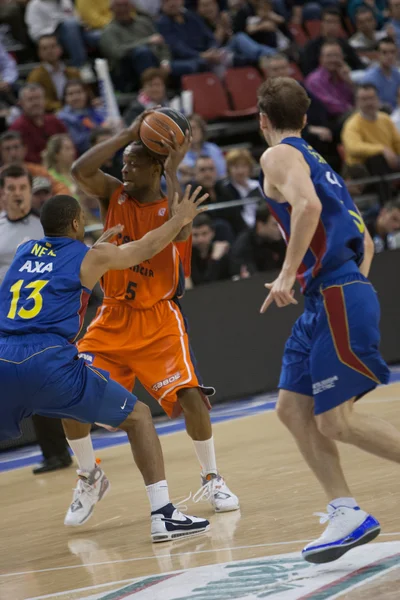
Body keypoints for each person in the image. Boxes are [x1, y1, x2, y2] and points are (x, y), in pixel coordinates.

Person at [0, 183, 211, 540]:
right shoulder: (90, 257)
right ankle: (163, 514)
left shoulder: (22, 249)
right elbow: (146, 247)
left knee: (70, 407)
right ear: (77, 224)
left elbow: (54, 264)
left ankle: (90, 475)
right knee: (140, 418)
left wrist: (94, 246)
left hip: (4, 358)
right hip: (48, 361)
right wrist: (179, 219)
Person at [60, 113, 239, 526]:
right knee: (67, 393)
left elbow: (178, 232)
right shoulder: (113, 195)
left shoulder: (172, 204)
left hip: (158, 319)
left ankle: (211, 478)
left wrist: (173, 169)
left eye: (134, 160)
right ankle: (89, 475)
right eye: (123, 159)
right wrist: (126, 134)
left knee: (191, 397)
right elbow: (79, 170)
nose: (125, 166)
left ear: (156, 166)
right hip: (112, 316)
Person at [258, 76, 395, 564]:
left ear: (263, 121)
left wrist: (288, 274)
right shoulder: (322, 164)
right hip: (331, 296)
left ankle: (346, 510)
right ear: (307, 117)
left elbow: (308, 207)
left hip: (333, 293)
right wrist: (344, 284)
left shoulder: (277, 155)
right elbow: (369, 239)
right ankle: (346, 512)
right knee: (292, 410)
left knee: (334, 421)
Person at [0, 164, 72, 474]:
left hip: (41, 319)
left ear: (31, 191)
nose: (17, 195)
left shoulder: (44, 228)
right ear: (2, 192)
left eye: (23, 189)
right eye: (11, 189)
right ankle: (57, 452)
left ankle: (59, 452)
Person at [341, 84, 400, 174]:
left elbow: (397, 142)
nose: (369, 103)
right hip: (362, 169)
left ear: (378, 99)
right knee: (376, 158)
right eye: (364, 99)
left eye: (372, 98)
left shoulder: (385, 119)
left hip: (388, 163)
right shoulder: (352, 124)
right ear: (357, 102)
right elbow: (353, 148)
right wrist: (382, 149)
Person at [9, 84, 67, 164]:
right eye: (30, 99)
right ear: (21, 103)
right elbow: (25, 159)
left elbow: (69, 146)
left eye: (38, 98)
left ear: (44, 100)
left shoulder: (54, 120)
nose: (35, 103)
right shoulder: (17, 128)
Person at [0, 131, 70, 196]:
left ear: (25, 149)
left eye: (16, 147)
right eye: (7, 149)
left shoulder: (38, 171)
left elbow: (60, 188)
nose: (13, 153)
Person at [301, 7, 364, 76]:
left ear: (339, 25)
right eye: (328, 22)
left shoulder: (344, 44)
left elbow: (359, 66)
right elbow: (308, 72)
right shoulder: (311, 47)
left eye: (335, 22)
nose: (332, 26)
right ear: (322, 23)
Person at [27, 35, 81, 113]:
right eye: (45, 48)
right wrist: (65, 105)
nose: (50, 51)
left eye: (53, 46)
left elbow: (85, 93)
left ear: (60, 49)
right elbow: (36, 101)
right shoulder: (35, 76)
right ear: (39, 53)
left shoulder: (73, 72)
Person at [230, 204, 285, 276]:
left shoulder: (282, 240)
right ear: (260, 225)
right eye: (275, 225)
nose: (281, 229)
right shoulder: (243, 247)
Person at [305, 42, 354, 120]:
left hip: (348, 114)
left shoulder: (342, 74)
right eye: (329, 56)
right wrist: (354, 110)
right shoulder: (315, 80)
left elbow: (356, 98)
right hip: (331, 120)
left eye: (336, 55)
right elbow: (330, 106)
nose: (333, 59)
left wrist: (349, 81)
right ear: (321, 59)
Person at [57, 80, 106, 155]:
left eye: (79, 92)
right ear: (65, 98)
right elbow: (79, 144)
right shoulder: (63, 118)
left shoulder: (94, 111)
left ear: (86, 93)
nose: (75, 97)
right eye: (71, 94)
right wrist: (104, 130)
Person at [189, 213, 231, 286]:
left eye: (204, 234)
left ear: (212, 233)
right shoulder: (187, 257)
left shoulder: (223, 252)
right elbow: (203, 286)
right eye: (195, 235)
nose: (200, 239)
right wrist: (214, 260)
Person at [180, 114, 227, 179]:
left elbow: (221, 173)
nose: (192, 132)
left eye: (194, 128)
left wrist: (191, 171)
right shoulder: (179, 152)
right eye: (188, 129)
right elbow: (178, 178)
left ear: (202, 130)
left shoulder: (213, 148)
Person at [362, 37, 400, 110]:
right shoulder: (370, 78)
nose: (389, 56)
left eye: (392, 52)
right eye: (384, 52)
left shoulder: (396, 73)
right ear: (377, 54)